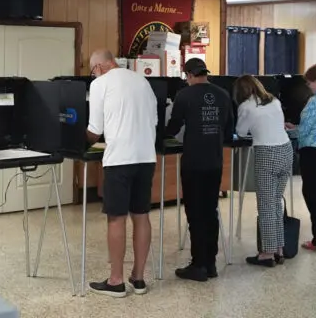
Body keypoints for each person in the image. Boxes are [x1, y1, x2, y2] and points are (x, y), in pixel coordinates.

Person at [87, 49, 157, 298]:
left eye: (92, 70)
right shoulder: (142, 80)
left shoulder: (100, 84)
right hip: (146, 157)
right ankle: (138, 278)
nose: (93, 74)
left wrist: (79, 139)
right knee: (141, 215)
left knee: (116, 218)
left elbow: (95, 130)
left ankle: (115, 280)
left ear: (99, 66)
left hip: (119, 159)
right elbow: (154, 120)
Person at [166, 58, 234, 282]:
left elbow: (174, 126)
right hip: (214, 162)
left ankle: (198, 265)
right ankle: (211, 263)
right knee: (210, 211)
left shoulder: (184, 95)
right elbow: (229, 129)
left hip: (193, 163)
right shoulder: (223, 94)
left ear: (188, 75)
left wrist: (157, 133)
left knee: (195, 214)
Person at [234, 75, 293, 266]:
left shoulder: (246, 107)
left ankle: (267, 254)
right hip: (286, 150)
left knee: (266, 206)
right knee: (276, 202)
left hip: (267, 153)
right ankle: (279, 249)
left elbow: (241, 132)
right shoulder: (274, 100)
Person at [286, 64, 316, 251]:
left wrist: (292, 130)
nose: (309, 86)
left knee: (313, 195)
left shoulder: (315, 101)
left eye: (310, 82)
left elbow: (305, 130)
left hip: (313, 153)